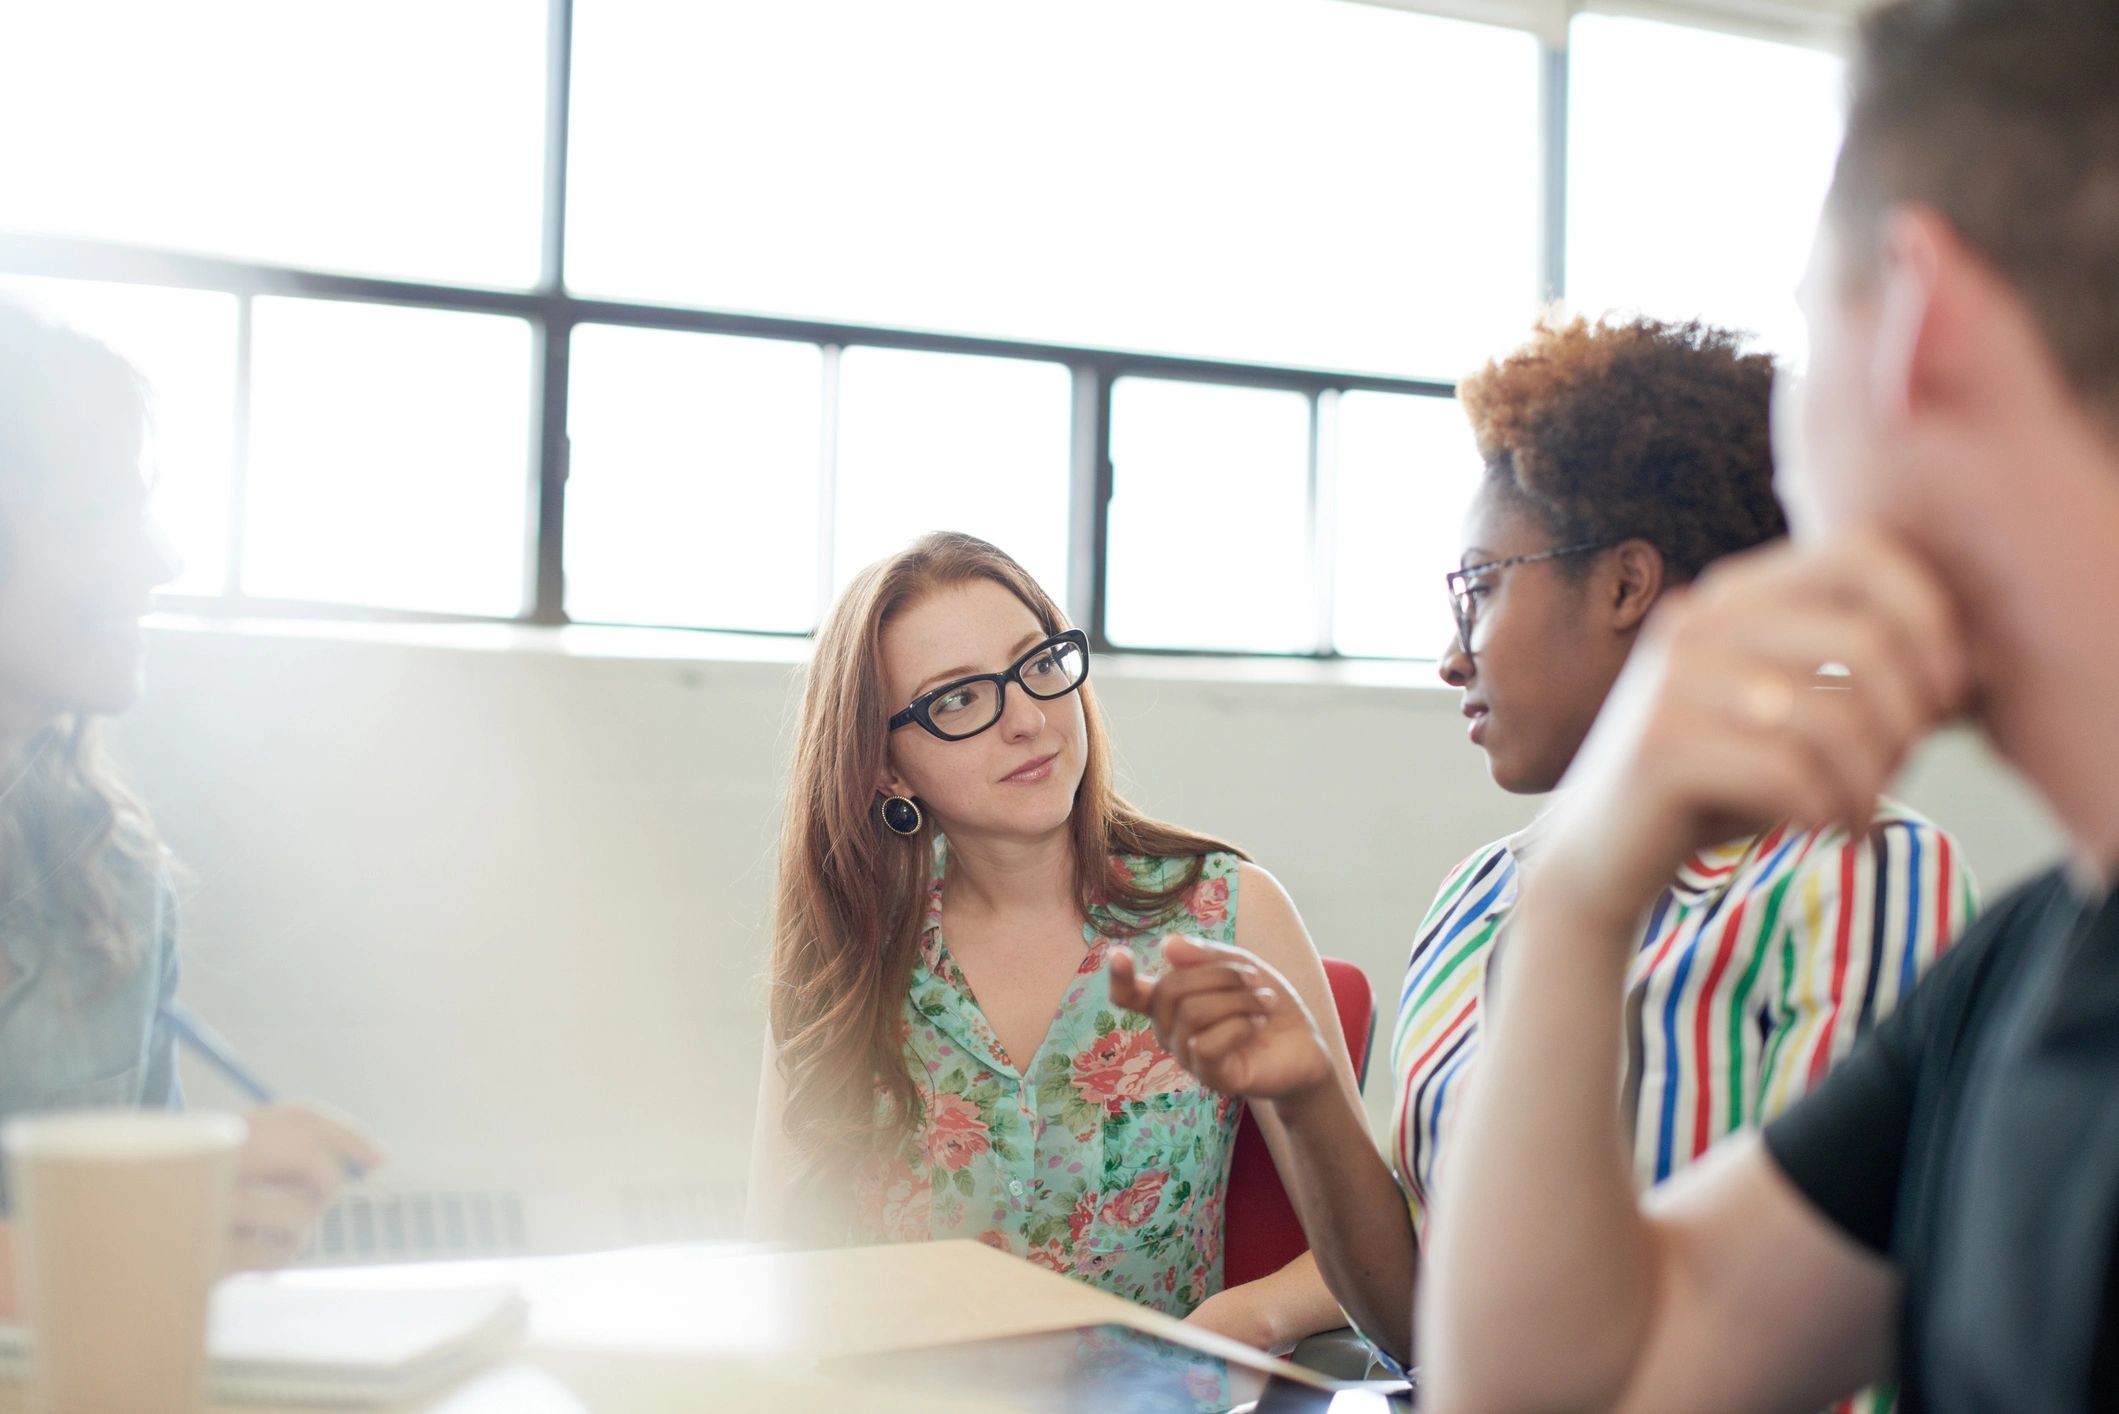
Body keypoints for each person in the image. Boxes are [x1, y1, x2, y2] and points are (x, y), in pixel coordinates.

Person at [1406, 0, 2119, 1406]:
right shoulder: (2025, 970)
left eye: (1808, 323)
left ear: (1918, 318)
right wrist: (1573, 896)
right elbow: (1584, 1388)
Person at [1111, 314, 1971, 1387]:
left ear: (1623, 584)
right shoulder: (1479, 895)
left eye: (1480, 588)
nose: (1447, 656)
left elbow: (1797, 1348)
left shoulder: (1859, 872)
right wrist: (1307, 1094)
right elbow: (1435, 1336)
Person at [750, 531, 1360, 1351]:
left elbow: (1370, 1245)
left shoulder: (1227, 909)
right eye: (957, 699)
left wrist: (1234, 1321)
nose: (1028, 720)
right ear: (886, 769)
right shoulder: (850, 948)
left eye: (1038, 665)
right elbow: (780, 1264)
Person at [0, 302, 382, 1318]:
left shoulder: (116, 876)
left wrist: (214, 1234)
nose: (159, 561)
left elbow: (139, 1295)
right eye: (98, 513)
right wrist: (136, 1236)